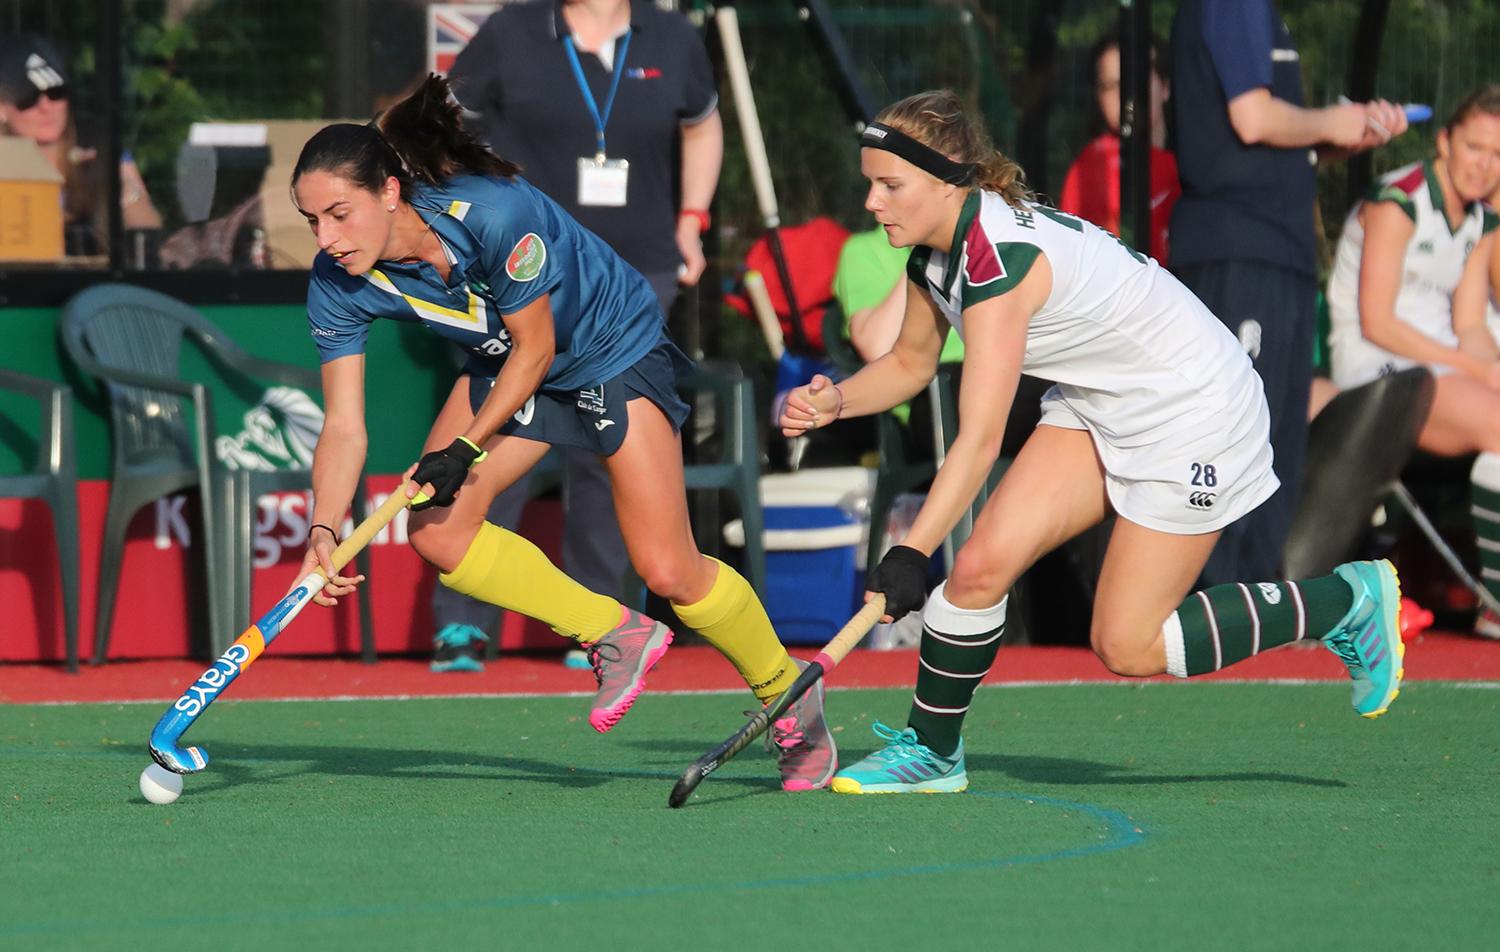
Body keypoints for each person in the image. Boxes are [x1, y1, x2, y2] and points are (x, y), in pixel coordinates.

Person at [779, 90, 1404, 795]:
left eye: (888, 185)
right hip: (1103, 399)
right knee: (981, 566)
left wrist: (911, 552)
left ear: (949, 178)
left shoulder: (999, 264)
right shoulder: (935, 255)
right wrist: (836, 399)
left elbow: (979, 441)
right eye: (869, 184)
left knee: (1127, 643)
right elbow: (908, 365)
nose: (872, 203)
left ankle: (1341, 602)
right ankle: (932, 751)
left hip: (1195, 407)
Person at [291, 75, 834, 791]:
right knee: (437, 530)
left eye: (339, 214)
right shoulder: (337, 283)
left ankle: (788, 695)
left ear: (390, 192)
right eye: (311, 223)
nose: (327, 240)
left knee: (669, 569)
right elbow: (343, 427)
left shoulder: (491, 214)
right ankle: (614, 632)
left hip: (607, 345)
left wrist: (463, 449)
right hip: (504, 358)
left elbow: (539, 351)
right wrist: (324, 533)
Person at [426, 0, 723, 671]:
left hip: (633, 275)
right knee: (499, 427)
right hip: (524, 271)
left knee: (605, 443)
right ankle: (463, 625)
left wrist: (693, 220)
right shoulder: (511, 30)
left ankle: (600, 622)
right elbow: (442, 125)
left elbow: (703, 127)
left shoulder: (672, 36)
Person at [1170, 0, 1406, 588]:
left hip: (1273, 251)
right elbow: (1252, 119)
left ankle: (1253, 602)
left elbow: (1256, 136)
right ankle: (1218, 603)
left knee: (1270, 436)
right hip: (1241, 250)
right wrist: (1330, 121)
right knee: (1237, 434)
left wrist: (1338, 137)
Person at [1326, 86, 1500, 636]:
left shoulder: (1480, 222)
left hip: (1439, 366)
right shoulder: (1397, 199)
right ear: (1445, 141)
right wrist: (1474, 370)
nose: (1484, 165)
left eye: (1498, 155)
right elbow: (1378, 322)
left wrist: (1488, 367)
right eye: (1475, 147)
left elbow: (1471, 325)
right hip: (1376, 367)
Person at [0, 33, 161, 257]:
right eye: (28, 99)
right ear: (2, 109)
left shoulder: (98, 149)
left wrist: (119, 186)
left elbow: (147, 237)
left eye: (56, 92)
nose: (46, 107)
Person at [1058, 27, 1178, 263]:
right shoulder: (1093, 167)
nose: (1124, 96)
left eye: (1134, 82)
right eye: (1109, 86)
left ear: (1165, 86)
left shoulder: (1191, 165)